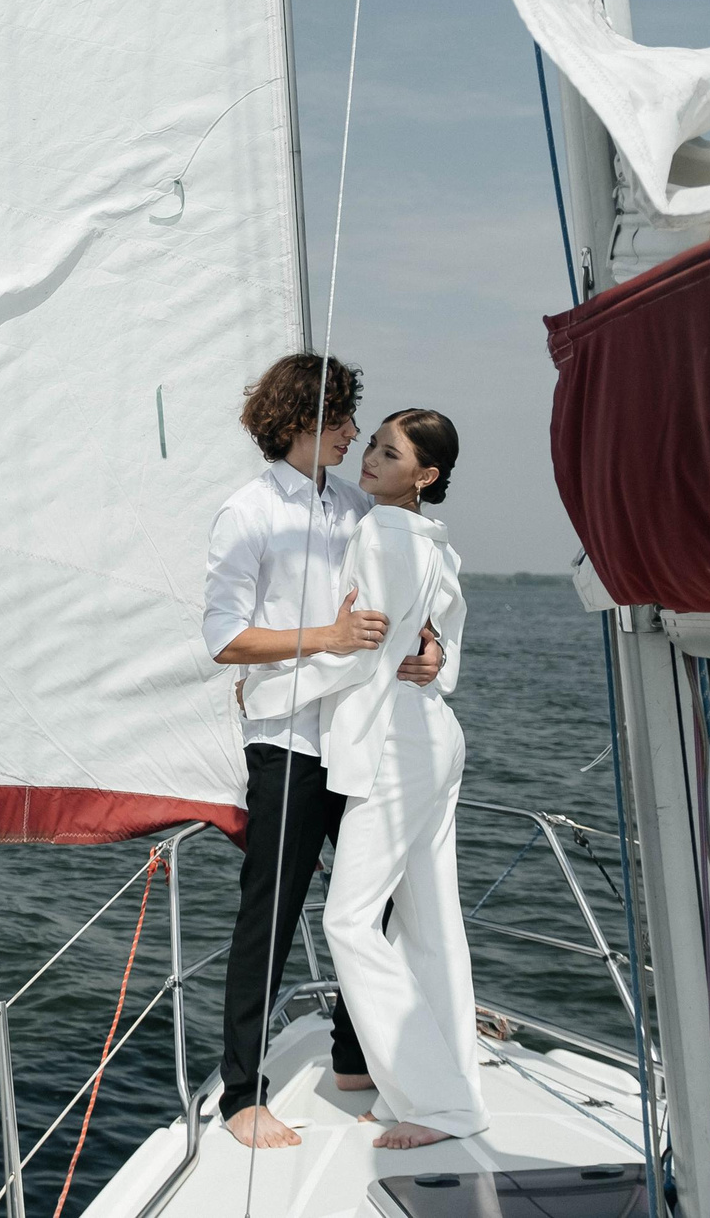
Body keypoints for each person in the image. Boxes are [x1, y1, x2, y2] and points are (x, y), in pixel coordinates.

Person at [204, 355, 442, 1150]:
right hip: (288, 739)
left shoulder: (356, 506)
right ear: (299, 420)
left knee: (375, 901)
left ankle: (350, 1054)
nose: (352, 434)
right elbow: (225, 638)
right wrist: (330, 636)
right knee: (269, 915)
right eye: (341, 420)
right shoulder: (247, 513)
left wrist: (432, 647)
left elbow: (406, 593)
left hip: (358, 732)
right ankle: (242, 1095)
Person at [290, 409, 484, 1148]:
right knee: (430, 923)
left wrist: (268, 684)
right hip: (432, 731)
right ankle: (448, 1091)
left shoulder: (379, 534)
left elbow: (361, 649)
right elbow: (440, 649)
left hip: (398, 742)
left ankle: (436, 1101)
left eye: (390, 453)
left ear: (425, 475)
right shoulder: (435, 542)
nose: (370, 457)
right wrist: (432, 653)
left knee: (348, 920)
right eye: (371, 444)